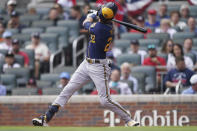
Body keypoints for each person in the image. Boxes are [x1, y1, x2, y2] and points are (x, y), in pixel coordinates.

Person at [32, 2, 139, 127]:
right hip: (86, 63)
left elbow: (85, 23)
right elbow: (100, 14)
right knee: (67, 90)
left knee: (105, 100)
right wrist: (97, 13)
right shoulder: (107, 24)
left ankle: (128, 119)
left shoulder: (101, 28)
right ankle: (46, 118)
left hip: (99, 67)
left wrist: (91, 15)